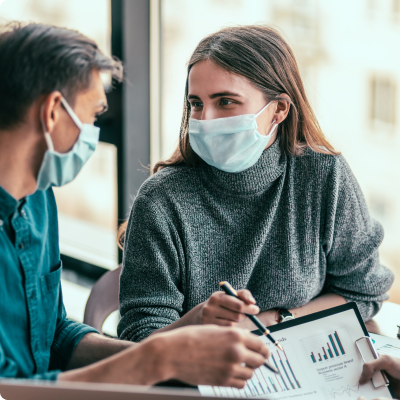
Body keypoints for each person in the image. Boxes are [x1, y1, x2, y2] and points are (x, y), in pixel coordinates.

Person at [0, 22, 271, 388]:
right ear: (52, 111)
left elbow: (53, 337)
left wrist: (175, 349)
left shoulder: (36, 200)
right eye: (93, 116)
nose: (95, 131)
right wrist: (157, 359)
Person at [117, 25, 394, 343]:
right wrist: (199, 322)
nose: (205, 120)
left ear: (279, 110)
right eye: (195, 104)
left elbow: (364, 291)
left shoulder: (323, 176)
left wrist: (265, 322)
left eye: (225, 102)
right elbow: (140, 338)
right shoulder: (161, 200)